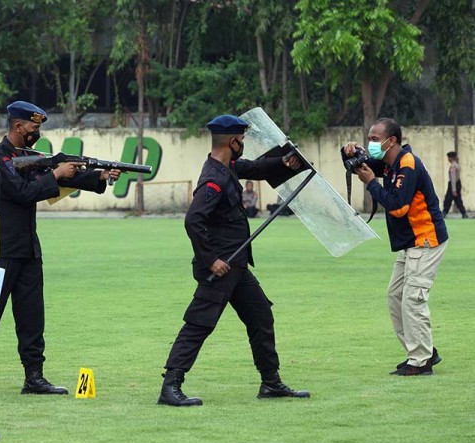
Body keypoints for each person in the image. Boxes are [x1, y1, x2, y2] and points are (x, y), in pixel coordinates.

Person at [158, 114, 309, 407]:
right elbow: (193, 220)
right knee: (199, 323)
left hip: (236, 266)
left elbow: (255, 167)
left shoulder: (228, 167)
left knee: (261, 314)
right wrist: (211, 259)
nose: (244, 144)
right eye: (243, 139)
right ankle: (170, 386)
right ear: (233, 141)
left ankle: (271, 382)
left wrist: (284, 163)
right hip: (221, 267)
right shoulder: (214, 177)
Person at [0, 101, 120, 395]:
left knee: (32, 318)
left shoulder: (32, 158)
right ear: (18, 126)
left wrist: (98, 177)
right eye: (34, 128)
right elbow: (23, 193)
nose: (37, 133)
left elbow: (54, 179)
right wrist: (57, 174)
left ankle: (34, 377)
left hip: (28, 249)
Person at [343, 118, 447, 376]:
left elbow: (399, 207)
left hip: (426, 239)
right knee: (396, 297)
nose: (370, 143)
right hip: (411, 244)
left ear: (392, 141)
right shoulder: (390, 164)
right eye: (369, 138)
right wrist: (350, 152)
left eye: (375, 139)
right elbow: (365, 164)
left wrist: (371, 184)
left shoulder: (407, 165)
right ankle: (423, 351)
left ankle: (421, 361)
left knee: (413, 299)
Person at [443, 151, 468, 218]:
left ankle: (444, 213)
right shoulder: (456, 164)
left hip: (453, 184)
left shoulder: (453, 166)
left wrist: (454, 190)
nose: (448, 159)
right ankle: (464, 213)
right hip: (457, 184)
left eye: (448, 157)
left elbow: (453, 178)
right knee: (458, 200)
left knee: (448, 199)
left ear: (451, 158)